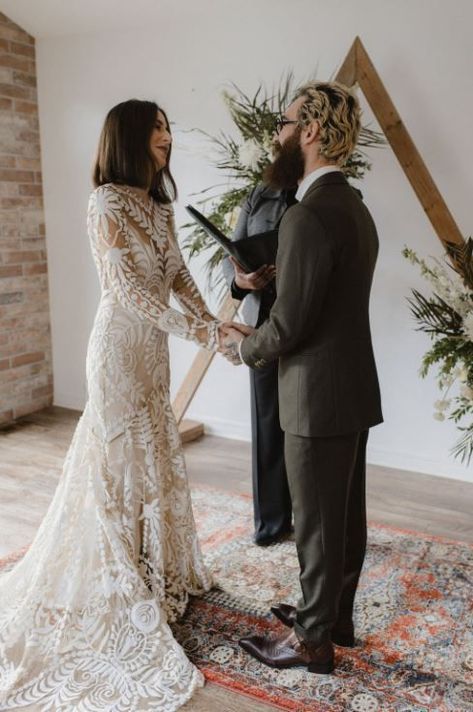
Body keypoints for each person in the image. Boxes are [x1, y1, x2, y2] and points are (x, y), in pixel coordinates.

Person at [0, 99, 243, 711]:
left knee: (153, 456)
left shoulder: (159, 205)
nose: (168, 136)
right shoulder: (105, 201)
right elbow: (128, 290)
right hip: (116, 351)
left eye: (169, 127)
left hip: (153, 355)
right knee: (118, 465)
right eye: (158, 127)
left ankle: (151, 569)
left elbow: (178, 275)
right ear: (130, 136)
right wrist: (204, 336)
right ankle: (119, 579)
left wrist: (214, 319)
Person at [221, 81, 383, 674]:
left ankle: (311, 642)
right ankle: (333, 616)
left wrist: (244, 348)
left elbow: (288, 325)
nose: (279, 135)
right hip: (353, 387)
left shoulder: (308, 214)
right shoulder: (354, 207)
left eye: (286, 124)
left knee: (317, 521)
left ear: (310, 132)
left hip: (316, 394)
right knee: (343, 515)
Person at [222, 184, 296, 546]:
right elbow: (230, 254)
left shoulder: (318, 194)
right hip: (260, 322)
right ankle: (272, 521)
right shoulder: (257, 195)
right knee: (267, 422)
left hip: (303, 322)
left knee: (302, 426)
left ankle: (310, 517)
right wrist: (241, 280)